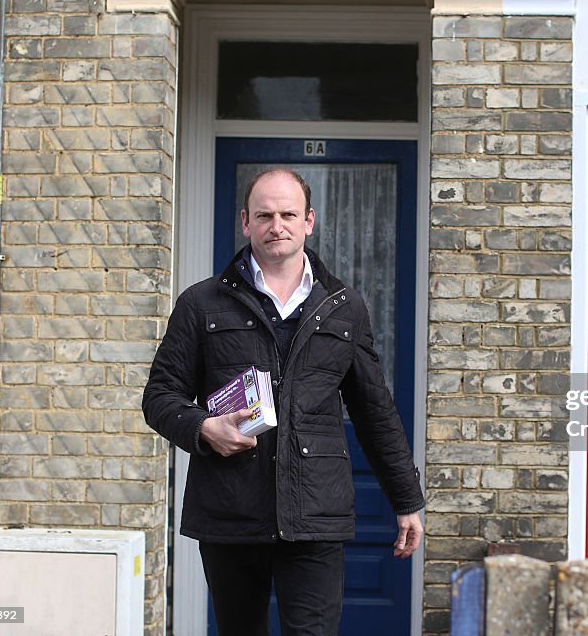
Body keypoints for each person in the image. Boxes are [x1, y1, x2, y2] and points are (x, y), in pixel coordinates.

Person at [143, 168, 425, 636]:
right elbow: (160, 395)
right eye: (265, 215)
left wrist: (407, 500)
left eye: (289, 214)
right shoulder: (201, 304)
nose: (278, 225)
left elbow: (375, 412)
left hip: (316, 513)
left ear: (309, 221)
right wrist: (202, 428)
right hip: (230, 512)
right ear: (245, 222)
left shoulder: (343, 306)